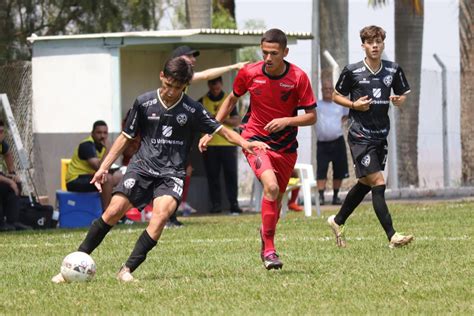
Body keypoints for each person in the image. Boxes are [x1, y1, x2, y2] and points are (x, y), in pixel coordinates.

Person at [52, 57, 268, 283]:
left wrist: (245, 143)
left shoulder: (192, 109)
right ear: (162, 76)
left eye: (177, 88)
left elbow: (221, 130)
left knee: (161, 216)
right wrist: (103, 168)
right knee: (113, 211)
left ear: (184, 86)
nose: (171, 91)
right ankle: (72, 264)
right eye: (168, 85)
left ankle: (126, 270)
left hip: (172, 173)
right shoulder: (143, 103)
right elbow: (126, 138)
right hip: (142, 167)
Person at [199, 29, 317, 270]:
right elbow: (231, 99)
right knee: (271, 187)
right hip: (254, 139)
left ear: (285, 52)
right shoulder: (249, 73)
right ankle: (271, 251)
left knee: (276, 199)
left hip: (285, 147)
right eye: (264, 53)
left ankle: (265, 237)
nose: (268, 58)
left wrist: (286, 120)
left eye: (274, 53)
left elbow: (312, 116)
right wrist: (212, 129)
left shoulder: (298, 77)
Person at [327, 25, 413, 249]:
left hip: (380, 134)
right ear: (363, 45)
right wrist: (353, 104)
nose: (374, 46)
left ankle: (337, 221)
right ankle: (392, 236)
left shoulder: (393, 70)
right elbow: (336, 96)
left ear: (383, 44)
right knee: (378, 182)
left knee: (365, 183)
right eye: (370, 42)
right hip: (359, 134)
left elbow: (403, 96)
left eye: (378, 42)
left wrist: (398, 100)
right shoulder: (352, 71)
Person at [165, 46, 247, 226]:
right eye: (190, 57)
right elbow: (205, 76)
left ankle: (170, 216)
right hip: (167, 133)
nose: (193, 60)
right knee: (170, 174)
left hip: (177, 133)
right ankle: (164, 215)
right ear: (179, 59)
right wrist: (234, 67)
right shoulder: (174, 76)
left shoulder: (183, 77)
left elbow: (207, 74)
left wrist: (233, 67)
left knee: (176, 173)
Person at [198, 76, 242, 214]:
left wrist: (219, 118)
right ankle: (216, 205)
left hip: (228, 143)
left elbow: (236, 121)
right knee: (212, 176)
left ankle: (234, 205)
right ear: (209, 86)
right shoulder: (202, 101)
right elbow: (197, 122)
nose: (215, 90)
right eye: (212, 87)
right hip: (209, 145)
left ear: (222, 85)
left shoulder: (229, 100)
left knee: (231, 175)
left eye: (217, 87)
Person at [65, 120, 122, 210]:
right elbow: (99, 167)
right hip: (75, 180)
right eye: (99, 133)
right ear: (92, 133)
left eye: (105, 133)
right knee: (107, 179)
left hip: (90, 176)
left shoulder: (101, 146)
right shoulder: (86, 145)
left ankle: (118, 211)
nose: (102, 136)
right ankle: (106, 212)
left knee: (120, 176)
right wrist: (108, 149)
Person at [316, 76, 350, 205]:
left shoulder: (339, 104)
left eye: (330, 88)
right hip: (322, 143)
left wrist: (338, 123)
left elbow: (347, 114)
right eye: (325, 89)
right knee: (321, 170)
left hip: (338, 141)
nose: (328, 91)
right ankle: (321, 196)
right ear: (321, 90)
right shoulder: (317, 104)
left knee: (339, 169)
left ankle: (336, 196)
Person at [0, 120, 31, 231]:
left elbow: (8, 154)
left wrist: (12, 174)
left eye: (2, 132)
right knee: (9, 184)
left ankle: (12, 222)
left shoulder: (2, 144)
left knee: (16, 184)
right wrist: (9, 181)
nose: (1, 134)